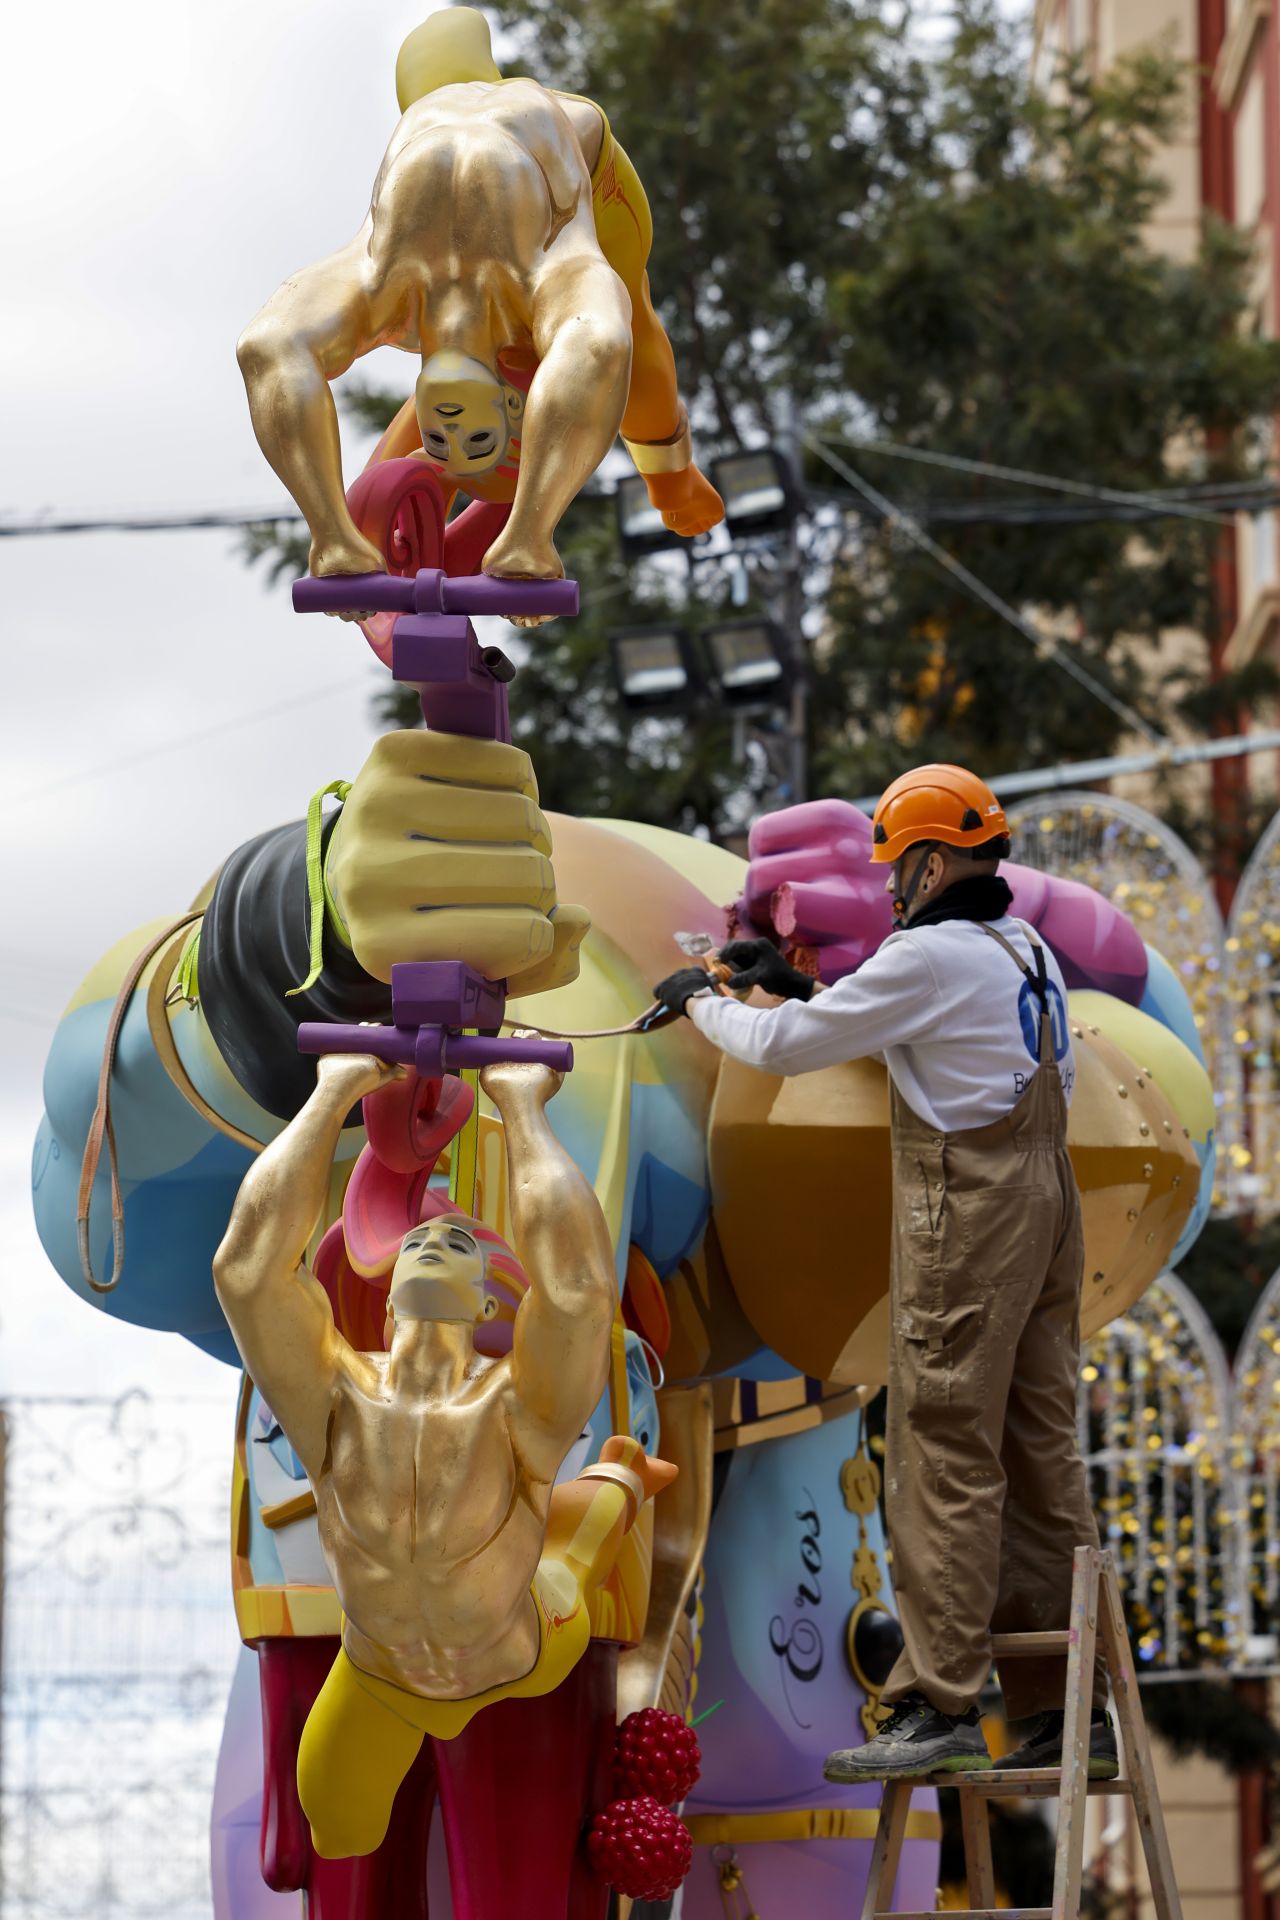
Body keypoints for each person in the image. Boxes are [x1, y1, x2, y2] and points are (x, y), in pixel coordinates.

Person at [653, 764, 1115, 1782]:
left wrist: (700, 1001)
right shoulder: (1021, 948)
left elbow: (781, 1052)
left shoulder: (929, 955)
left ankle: (934, 1700)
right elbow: (906, 1032)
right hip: (1047, 1208)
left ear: (934, 859)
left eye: (897, 869)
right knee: (1041, 1453)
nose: (890, 890)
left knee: (941, 1447)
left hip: (970, 1216)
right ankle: (1069, 1711)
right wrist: (793, 983)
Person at [213, 1046, 674, 1857]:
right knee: (338, 1833)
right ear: (384, 1296)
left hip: (525, 1650)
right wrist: (334, 1091)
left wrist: (523, 1103)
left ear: (490, 1299)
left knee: (578, 1547)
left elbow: (575, 1288)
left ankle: (620, 1479)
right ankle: (616, 1482)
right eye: (423, 1241)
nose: (436, 1241)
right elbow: (248, 1270)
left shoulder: (514, 1404)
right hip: (382, 1674)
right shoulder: (332, 1401)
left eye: (459, 1247)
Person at [237, 7, 722, 590]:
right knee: (617, 324)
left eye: (440, 440)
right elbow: (264, 346)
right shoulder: (388, 289)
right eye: (469, 441)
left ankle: (672, 476)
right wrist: (332, 536)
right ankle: (669, 476)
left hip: (555, 149)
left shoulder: (502, 277)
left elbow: (611, 345)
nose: (451, 432)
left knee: (629, 316)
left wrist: (530, 538)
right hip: (456, 111)